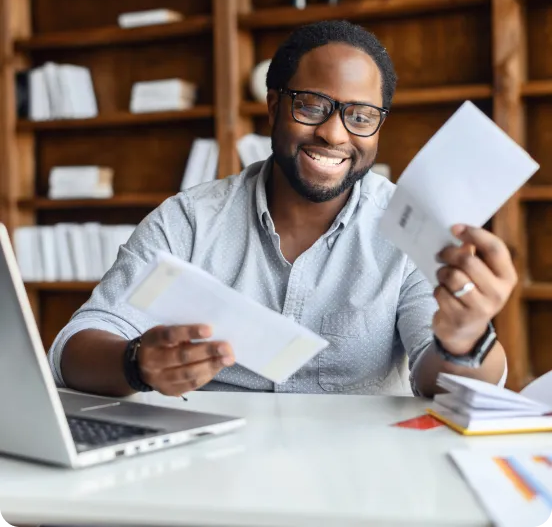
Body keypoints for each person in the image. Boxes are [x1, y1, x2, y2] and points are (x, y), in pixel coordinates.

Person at [48, 20, 516, 399]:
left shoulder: (408, 225)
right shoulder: (189, 220)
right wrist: (136, 363)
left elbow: (438, 383)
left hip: (357, 479)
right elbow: (76, 346)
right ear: (273, 107)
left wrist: (467, 337)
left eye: (360, 116)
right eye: (311, 106)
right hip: (211, 472)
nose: (334, 134)